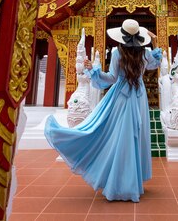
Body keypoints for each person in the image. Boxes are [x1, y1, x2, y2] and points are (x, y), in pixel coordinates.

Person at [44, 19, 162, 202]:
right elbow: (156, 62)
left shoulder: (117, 52)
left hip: (120, 98)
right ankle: (131, 184)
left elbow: (112, 78)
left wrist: (94, 71)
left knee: (117, 137)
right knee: (135, 137)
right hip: (139, 98)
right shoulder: (146, 53)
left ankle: (119, 184)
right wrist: (154, 41)